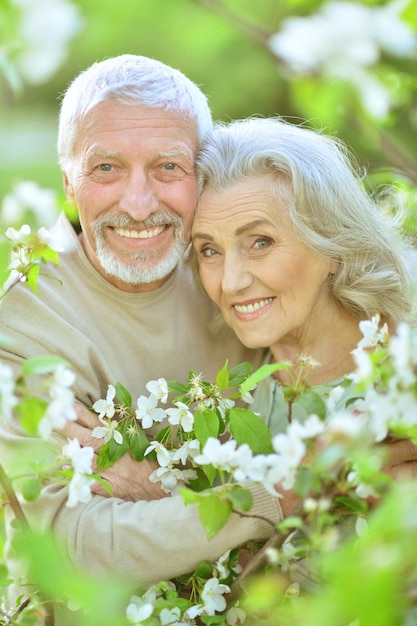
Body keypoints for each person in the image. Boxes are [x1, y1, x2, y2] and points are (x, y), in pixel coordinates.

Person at [0, 56, 283, 622]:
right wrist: (277, 497)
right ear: (67, 179)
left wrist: (155, 484)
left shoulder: (239, 275)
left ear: (202, 175)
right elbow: (81, 545)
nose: (138, 204)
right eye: (105, 168)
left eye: (168, 167)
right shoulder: (22, 323)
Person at [192, 116, 417, 438]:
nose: (230, 283)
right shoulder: (219, 383)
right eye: (210, 250)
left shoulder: (406, 361)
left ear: (333, 245)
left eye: (261, 242)